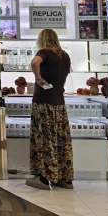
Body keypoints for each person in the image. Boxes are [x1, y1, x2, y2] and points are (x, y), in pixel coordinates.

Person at [27, 28, 74, 190]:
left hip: (43, 102)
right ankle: (65, 178)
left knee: (44, 138)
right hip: (59, 102)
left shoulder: (44, 52)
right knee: (61, 139)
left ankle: (45, 177)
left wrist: (38, 77)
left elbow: (34, 62)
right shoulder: (64, 55)